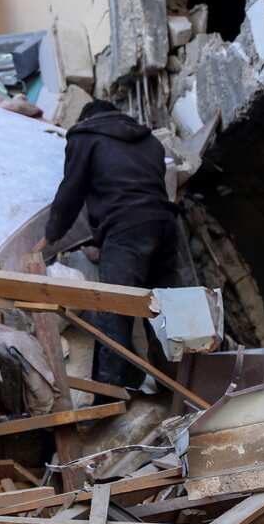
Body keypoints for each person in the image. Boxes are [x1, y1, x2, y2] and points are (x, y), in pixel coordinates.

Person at [42, 99, 179, 386]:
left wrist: (50, 237)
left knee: (116, 308)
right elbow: (128, 187)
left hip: (126, 227)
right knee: (166, 310)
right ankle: (177, 384)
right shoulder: (150, 142)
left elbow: (71, 191)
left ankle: (110, 393)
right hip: (165, 224)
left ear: (86, 119)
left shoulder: (84, 136)